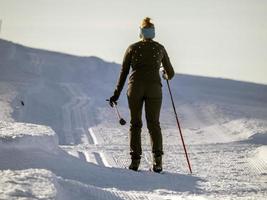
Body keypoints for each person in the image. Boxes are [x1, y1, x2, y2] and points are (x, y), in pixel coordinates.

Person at [109, 17, 174, 172]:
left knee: (135, 124)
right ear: (153, 33)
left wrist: (115, 95)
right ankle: (157, 162)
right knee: (154, 124)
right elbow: (170, 73)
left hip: (135, 89)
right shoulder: (160, 48)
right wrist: (164, 74)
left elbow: (124, 73)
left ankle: (135, 162)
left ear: (141, 33)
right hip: (154, 90)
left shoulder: (132, 48)